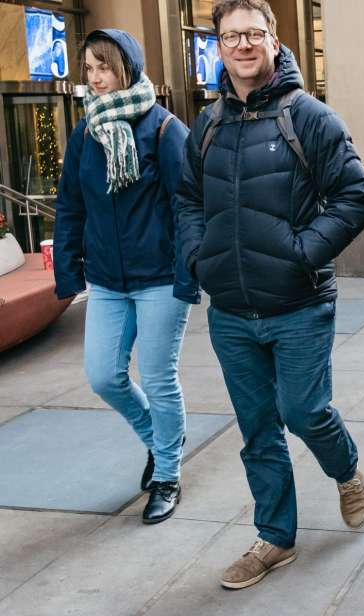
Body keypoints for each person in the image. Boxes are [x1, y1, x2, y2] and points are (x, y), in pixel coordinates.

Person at [173, 0, 364, 590]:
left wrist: (300, 252)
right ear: (217, 45)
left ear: (273, 39)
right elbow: (188, 200)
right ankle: (275, 538)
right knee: (258, 429)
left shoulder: (309, 117)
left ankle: (347, 470)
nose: (242, 45)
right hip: (231, 310)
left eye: (253, 33)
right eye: (231, 36)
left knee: (305, 411)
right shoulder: (207, 125)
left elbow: (355, 197)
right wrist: (197, 255)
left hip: (299, 305)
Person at [53, 29, 195, 525]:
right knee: (104, 377)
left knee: (157, 378)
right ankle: (161, 439)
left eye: (104, 68)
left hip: (159, 278)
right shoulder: (84, 133)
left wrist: (186, 272)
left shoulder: (164, 129)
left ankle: (168, 474)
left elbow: (188, 208)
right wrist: (69, 270)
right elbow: (70, 205)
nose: (95, 79)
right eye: (88, 69)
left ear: (127, 69)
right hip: (109, 282)